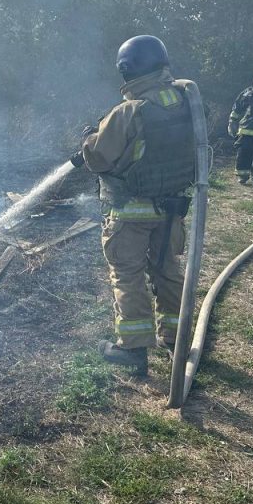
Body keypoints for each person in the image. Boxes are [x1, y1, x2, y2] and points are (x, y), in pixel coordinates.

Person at [74, 35, 196, 376]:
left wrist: (88, 138)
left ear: (127, 69)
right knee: (168, 270)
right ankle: (177, 338)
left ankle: (133, 349)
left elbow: (98, 158)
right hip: (172, 208)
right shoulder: (186, 101)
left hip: (130, 211)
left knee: (128, 276)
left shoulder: (128, 111)